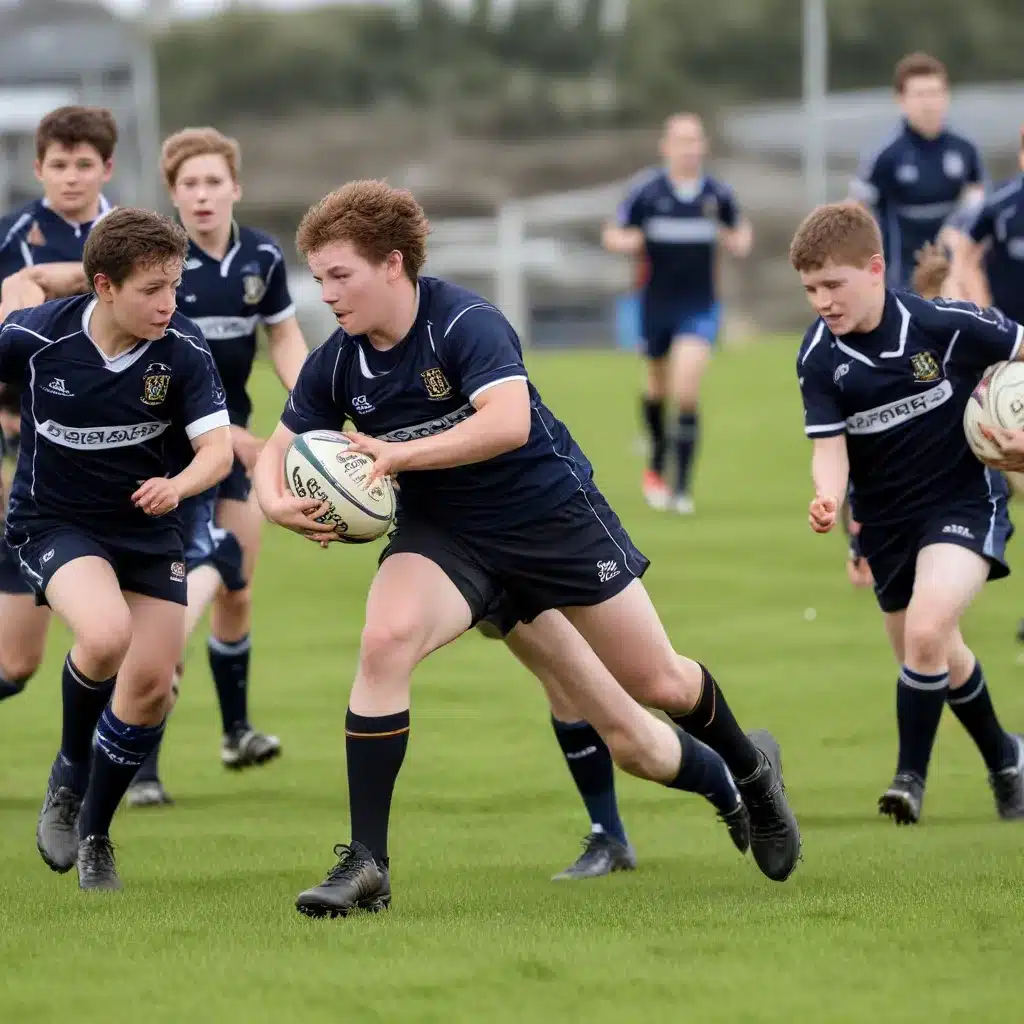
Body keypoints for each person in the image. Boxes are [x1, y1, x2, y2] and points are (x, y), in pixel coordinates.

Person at [252, 180, 800, 917]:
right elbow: (276, 451)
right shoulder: (339, 360)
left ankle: (750, 772)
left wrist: (397, 456)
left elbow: (507, 424)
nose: (327, 295)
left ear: (391, 264)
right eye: (318, 279)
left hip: (550, 520)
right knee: (383, 641)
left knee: (656, 689)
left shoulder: (465, 324)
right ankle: (367, 863)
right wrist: (275, 503)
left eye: (339, 276)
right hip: (447, 538)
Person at [2, 208, 232, 890]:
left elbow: (216, 452)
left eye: (174, 286)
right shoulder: (33, 337)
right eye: (151, 289)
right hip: (54, 522)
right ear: (103, 287)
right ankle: (69, 775)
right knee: (105, 636)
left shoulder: (183, 351)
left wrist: (178, 484)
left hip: (146, 528)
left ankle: (96, 833)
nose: (168, 303)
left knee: (151, 686)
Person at [791, 199, 1024, 825]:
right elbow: (830, 451)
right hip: (885, 528)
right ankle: (1006, 760)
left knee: (926, 633)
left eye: (833, 285)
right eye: (811, 289)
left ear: (874, 269)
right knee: (932, 651)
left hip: (963, 504)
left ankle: (907, 781)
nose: (823, 301)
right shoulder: (818, 358)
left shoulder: (944, 325)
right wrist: (829, 499)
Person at [125, 128, 308, 806]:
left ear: (236, 186)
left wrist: (310, 405)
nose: (202, 196)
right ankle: (139, 766)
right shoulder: (163, 265)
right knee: (174, 605)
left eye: (213, 182)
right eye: (188, 185)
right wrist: (238, 440)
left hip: (234, 447)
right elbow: (164, 382)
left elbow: (284, 335)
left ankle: (235, 733)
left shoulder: (260, 254)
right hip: (169, 451)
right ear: (173, 195)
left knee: (236, 586)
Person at [0, 106, 118, 705]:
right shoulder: (11, 235)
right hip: (32, 453)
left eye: (84, 165)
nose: (71, 177)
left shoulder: (128, 234)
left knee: (125, 629)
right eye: (58, 165)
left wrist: (56, 275)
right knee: (15, 662)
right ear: (39, 169)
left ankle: (134, 772)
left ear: (107, 168)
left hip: (125, 450)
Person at [602, 113, 752, 515]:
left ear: (703, 146)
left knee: (686, 389)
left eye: (695, 140)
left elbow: (741, 231)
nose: (688, 148)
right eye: (680, 141)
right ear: (666, 146)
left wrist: (737, 240)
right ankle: (655, 463)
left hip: (699, 305)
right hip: (655, 304)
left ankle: (681, 488)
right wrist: (627, 241)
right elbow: (613, 232)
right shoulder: (647, 192)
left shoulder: (716, 195)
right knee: (657, 387)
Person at [849, 52, 984, 290]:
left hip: (952, 271)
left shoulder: (964, 149)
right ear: (901, 100)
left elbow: (979, 198)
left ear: (946, 96)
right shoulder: (886, 155)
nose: (928, 103)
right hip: (901, 275)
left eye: (935, 93)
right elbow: (857, 210)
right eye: (919, 94)